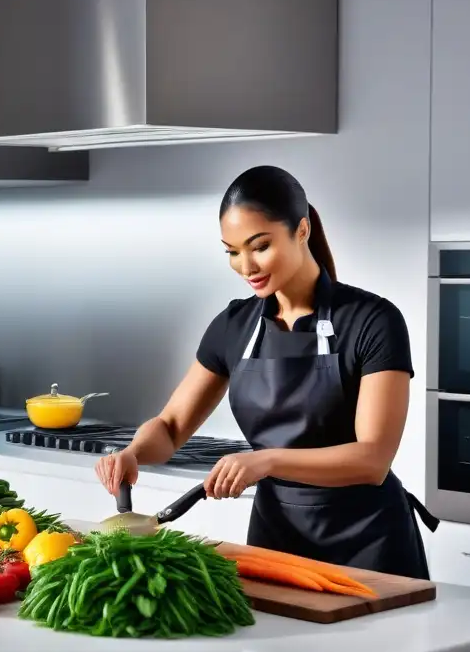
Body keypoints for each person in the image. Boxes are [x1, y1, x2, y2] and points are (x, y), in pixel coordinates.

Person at [95, 165, 437, 578]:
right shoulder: (234, 326)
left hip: (369, 544)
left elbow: (372, 458)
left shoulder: (372, 321)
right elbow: (170, 427)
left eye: (259, 246)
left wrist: (266, 462)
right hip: (276, 541)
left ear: (302, 230)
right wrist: (133, 453)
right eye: (232, 251)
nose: (246, 266)